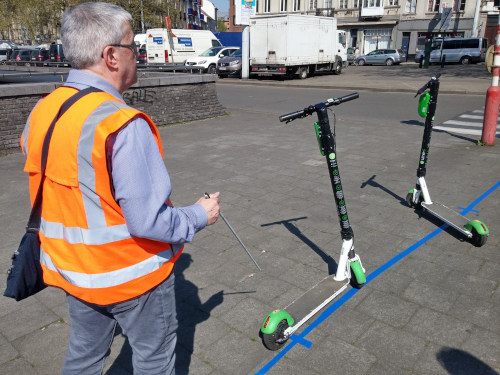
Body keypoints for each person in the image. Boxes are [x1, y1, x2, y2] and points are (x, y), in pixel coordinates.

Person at [20, 2, 220, 374]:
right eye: (134, 47)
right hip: (131, 277)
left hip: (72, 271)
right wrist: (199, 215)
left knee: (84, 356)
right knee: (154, 361)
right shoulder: (122, 125)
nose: (139, 57)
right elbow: (148, 222)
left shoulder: (43, 111)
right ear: (112, 56)